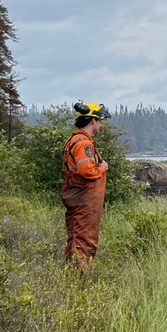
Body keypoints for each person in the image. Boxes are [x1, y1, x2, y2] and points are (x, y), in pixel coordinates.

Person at [61, 101, 110, 271]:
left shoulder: (74, 139)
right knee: (85, 238)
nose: (101, 125)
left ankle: (71, 274)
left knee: (75, 236)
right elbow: (87, 171)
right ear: (92, 121)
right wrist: (102, 168)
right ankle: (80, 279)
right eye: (100, 121)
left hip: (77, 196)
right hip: (85, 200)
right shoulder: (84, 144)